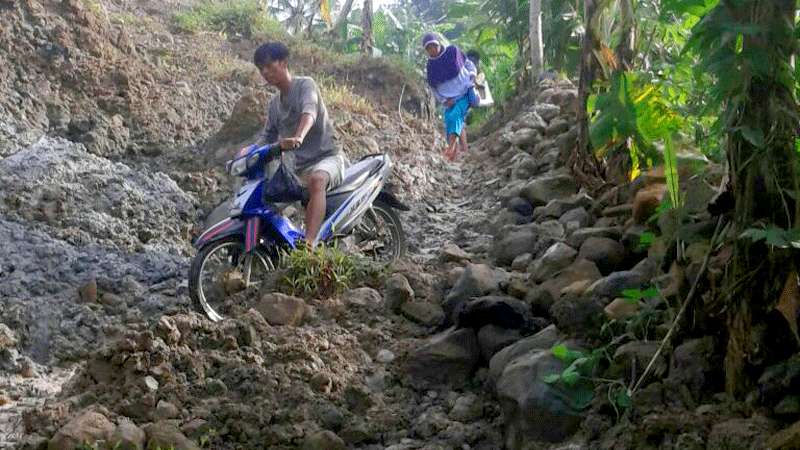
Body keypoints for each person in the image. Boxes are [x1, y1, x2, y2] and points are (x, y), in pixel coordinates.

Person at [245, 41, 346, 246]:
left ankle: (309, 245)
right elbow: (267, 136)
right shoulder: (274, 105)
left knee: (317, 180)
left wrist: (299, 136)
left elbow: (310, 111)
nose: (265, 72)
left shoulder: (305, 85)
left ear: (283, 63)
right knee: (268, 199)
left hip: (328, 158)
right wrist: (249, 151)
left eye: (269, 65)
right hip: (298, 169)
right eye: (261, 68)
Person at [422, 32, 479, 161]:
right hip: (450, 100)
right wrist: (443, 100)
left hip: (465, 92)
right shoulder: (430, 65)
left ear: (438, 43)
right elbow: (433, 87)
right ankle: (459, 154)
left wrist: (472, 76)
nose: (432, 50)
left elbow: (469, 64)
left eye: (433, 46)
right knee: (450, 121)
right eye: (428, 48)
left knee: (454, 116)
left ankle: (451, 148)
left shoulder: (453, 51)